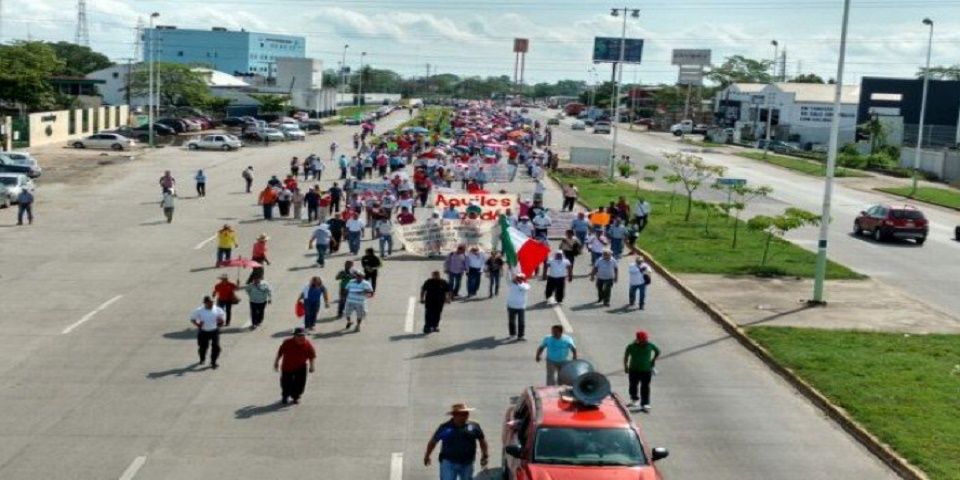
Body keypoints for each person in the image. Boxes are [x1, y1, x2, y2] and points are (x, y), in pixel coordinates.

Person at [423, 403, 489, 480]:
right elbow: (433, 442)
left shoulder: (474, 426)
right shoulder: (445, 427)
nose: (466, 415)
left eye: (467, 413)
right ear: (455, 415)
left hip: (467, 463)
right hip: (449, 462)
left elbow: (482, 440)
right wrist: (427, 455)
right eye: (463, 414)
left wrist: (484, 455)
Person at [274, 327, 316, 405]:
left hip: (301, 367)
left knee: (300, 384)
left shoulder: (307, 344)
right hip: (287, 367)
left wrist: (312, 366)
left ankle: (296, 397)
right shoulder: (287, 343)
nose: (301, 338)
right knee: (286, 383)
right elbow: (280, 353)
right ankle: (285, 396)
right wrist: (276, 362)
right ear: (294, 336)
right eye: (299, 336)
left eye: (303, 336)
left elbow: (312, 356)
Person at [624, 330, 660, 411]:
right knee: (633, 386)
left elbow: (657, 351)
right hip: (633, 369)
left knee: (645, 387)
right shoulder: (631, 346)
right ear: (638, 340)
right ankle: (634, 400)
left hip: (646, 370)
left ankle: (645, 403)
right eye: (643, 339)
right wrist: (626, 366)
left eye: (646, 339)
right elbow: (626, 356)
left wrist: (653, 360)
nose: (645, 341)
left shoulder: (650, 345)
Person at [190, 296, 226, 369]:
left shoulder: (217, 309)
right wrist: (198, 325)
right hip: (203, 332)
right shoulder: (199, 310)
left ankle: (213, 362)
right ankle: (202, 359)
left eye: (212, 302)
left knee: (216, 347)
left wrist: (221, 321)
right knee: (203, 347)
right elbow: (192, 319)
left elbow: (222, 319)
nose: (211, 304)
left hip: (214, 331)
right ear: (205, 303)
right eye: (209, 302)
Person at [506, 272, 530, 340]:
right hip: (511, 305)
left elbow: (524, 288)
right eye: (517, 278)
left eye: (520, 278)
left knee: (521, 322)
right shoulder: (511, 284)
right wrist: (509, 270)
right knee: (511, 321)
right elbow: (507, 278)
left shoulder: (526, 285)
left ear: (523, 279)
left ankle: (521, 336)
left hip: (521, 307)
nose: (518, 279)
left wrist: (518, 283)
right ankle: (512, 334)